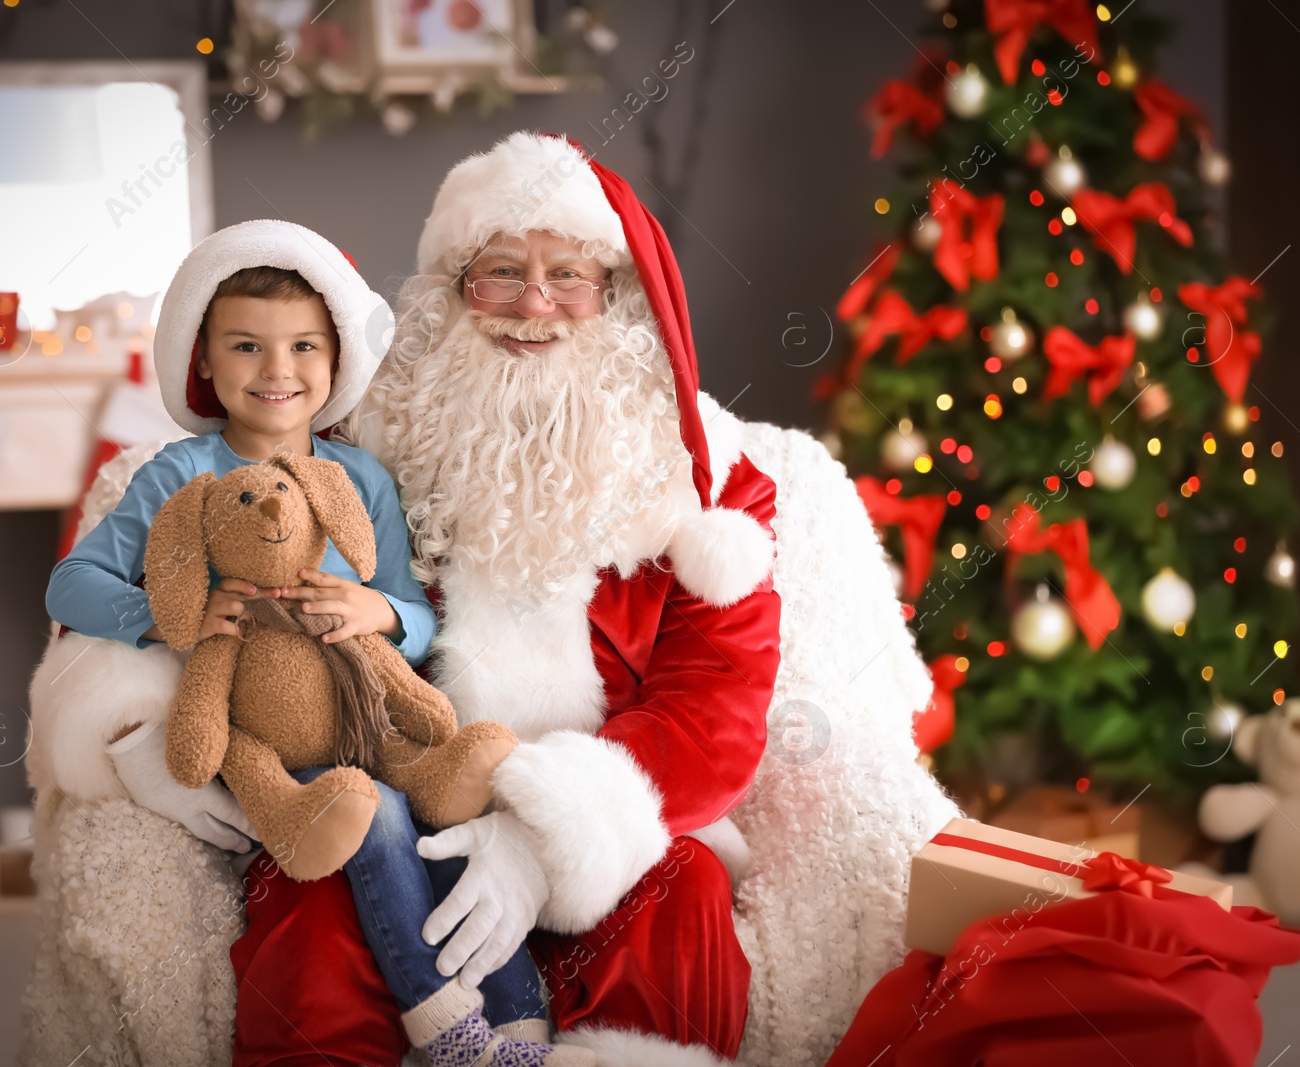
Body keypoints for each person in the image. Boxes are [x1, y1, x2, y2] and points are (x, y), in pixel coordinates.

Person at [226, 133, 785, 1065]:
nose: (534, 305)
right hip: (409, 792)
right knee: (309, 887)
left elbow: (715, 713)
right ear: (454, 289)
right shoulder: (371, 449)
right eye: (500, 273)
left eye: (569, 274)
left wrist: (538, 842)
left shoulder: (710, 488)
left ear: (617, 297)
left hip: (607, 816)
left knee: (682, 889)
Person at [46, 219, 589, 1066]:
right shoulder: (178, 476)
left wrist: (380, 614)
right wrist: (169, 617)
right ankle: (444, 1024)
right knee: (379, 820)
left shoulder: (360, 479)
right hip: (269, 730)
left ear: (334, 363)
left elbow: (419, 616)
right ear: (206, 362)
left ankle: (519, 1020)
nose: (277, 370)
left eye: (303, 346)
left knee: (446, 808)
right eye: (246, 347)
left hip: (369, 716)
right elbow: (69, 587)